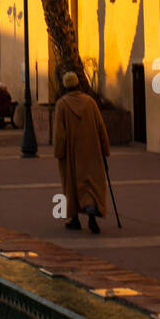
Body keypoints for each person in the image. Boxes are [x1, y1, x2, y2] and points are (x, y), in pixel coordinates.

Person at [53, 71, 110, 234]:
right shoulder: (90, 102)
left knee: (71, 185)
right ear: (78, 84)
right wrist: (105, 148)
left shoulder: (62, 105)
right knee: (91, 183)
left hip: (72, 153)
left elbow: (59, 133)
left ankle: (75, 218)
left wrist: (59, 152)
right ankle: (91, 212)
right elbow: (101, 127)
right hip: (92, 151)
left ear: (65, 87)